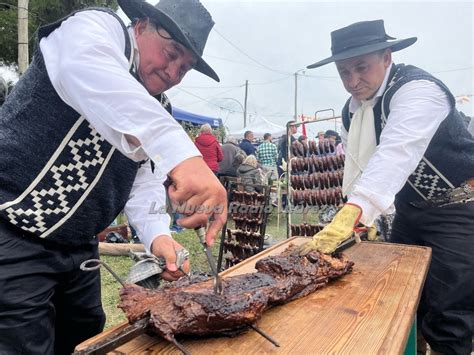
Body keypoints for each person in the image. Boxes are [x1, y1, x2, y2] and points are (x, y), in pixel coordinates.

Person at [0, 0, 228, 353]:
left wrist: (157, 236)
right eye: (171, 54)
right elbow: (87, 68)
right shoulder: (94, 28)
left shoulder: (158, 107)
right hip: (13, 234)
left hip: (79, 247)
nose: (172, 73)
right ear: (141, 26)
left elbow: (142, 179)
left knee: (84, 339)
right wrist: (184, 155)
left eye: (184, 68)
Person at [300, 20, 474, 354]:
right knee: (402, 297)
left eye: (361, 67)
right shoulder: (353, 110)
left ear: (387, 57)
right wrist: (368, 218)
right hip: (410, 212)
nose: (352, 81)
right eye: (343, 72)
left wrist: (354, 211)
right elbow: (361, 165)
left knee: (449, 313)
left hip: (458, 210)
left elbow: (396, 153)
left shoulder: (418, 90)